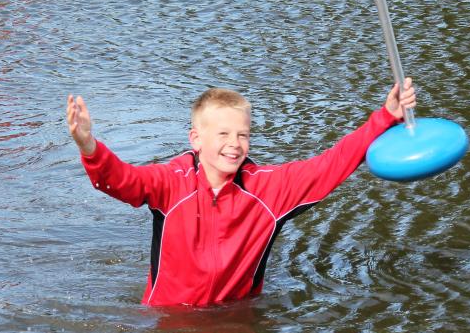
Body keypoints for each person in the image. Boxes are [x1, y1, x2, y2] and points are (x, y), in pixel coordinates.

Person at [66, 79, 416, 307]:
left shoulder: (268, 189)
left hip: (233, 317)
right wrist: (89, 146)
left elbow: (330, 164)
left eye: (242, 135)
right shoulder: (171, 182)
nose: (234, 145)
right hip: (169, 322)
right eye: (222, 134)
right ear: (196, 139)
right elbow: (120, 180)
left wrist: (385, 117)